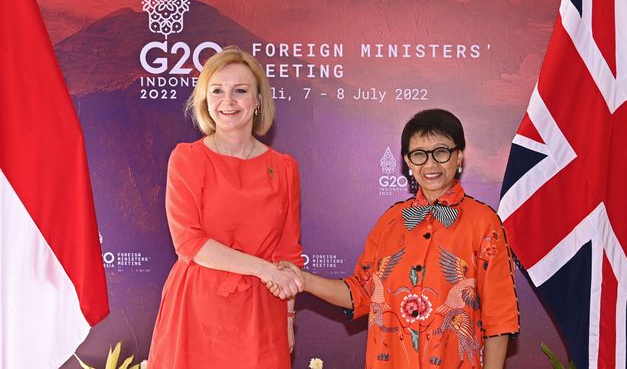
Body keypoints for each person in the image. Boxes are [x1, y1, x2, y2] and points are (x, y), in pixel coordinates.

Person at [274, 109, 519, 368]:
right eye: (419, 155)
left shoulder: (484, 222)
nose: (431, 164)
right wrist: (304, 280)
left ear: (459, 156)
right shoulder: (390, 221)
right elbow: (361, 292)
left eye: (441, 152)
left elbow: (499, 317)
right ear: (408, 162)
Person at [148, 46, 304, 368]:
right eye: (217, 91)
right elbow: (189, 243)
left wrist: (288, 317)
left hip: (263, 309)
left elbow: (288, 251)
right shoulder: (187, 159)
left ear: (258, 100)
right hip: (197, 307)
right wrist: (262, 268)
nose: (228, 101)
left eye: (240, 91)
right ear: (205, 100)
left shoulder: (284, 167)